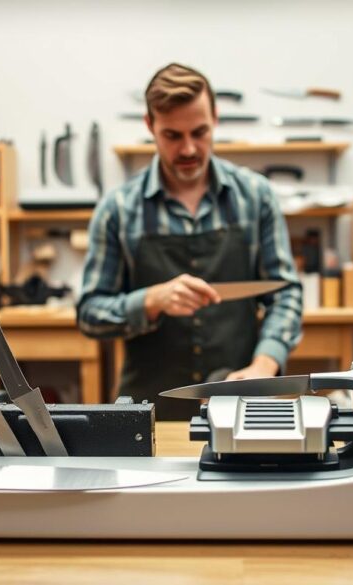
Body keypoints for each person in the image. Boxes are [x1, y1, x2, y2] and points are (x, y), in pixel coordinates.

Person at [77, 63, 303, 420]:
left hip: (239, 404)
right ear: (149, 125)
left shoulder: (255, 197)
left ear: (215, 118)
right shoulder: (118, 209)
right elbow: (89, 313)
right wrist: (150, 301)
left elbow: (285, 293)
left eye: (199, 132)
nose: (188, 149)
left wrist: (264, 365)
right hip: (147, 416)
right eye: (172, 135)